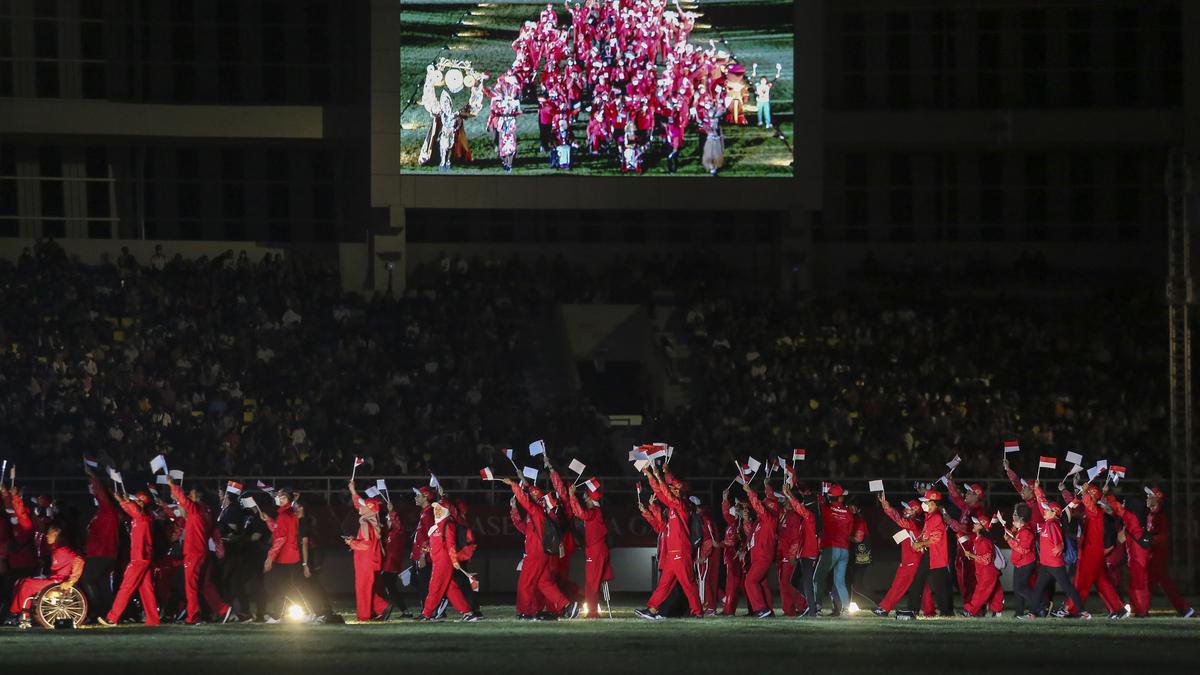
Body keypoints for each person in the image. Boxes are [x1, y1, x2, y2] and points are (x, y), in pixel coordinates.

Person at [502, 477, 578, 620]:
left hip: (535, 553)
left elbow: (524, 501)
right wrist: (514, 510)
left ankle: (526, 611)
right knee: (545, 583)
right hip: (542, 554)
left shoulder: (537, 512)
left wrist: (514, 485)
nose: (528, 497)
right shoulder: (541, 513)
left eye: (531, 495)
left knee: (525, 582)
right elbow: (524, 529)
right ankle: (567, 605)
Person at [634, 464, 702, 620]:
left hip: (681, 551)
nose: (670, 491)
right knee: (664, 585)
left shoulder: (681, 505)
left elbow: (666, 494)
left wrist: (659, 476)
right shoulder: (673, 507)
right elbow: (660, 492)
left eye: (673, 489)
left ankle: (697, 611)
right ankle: (651, 609)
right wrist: (650, 475)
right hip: (672, 553)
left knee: (688, 583)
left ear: (678, 491)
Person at [167, 474, 232, 624]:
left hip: (193, 552)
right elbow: (185, 510)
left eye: (191, 494)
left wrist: (172, 485)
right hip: (203, 552)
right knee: (204, 584)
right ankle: (222, 609)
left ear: (197, 495)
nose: (189, 496)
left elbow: (184, 502)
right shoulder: (207, 511)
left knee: (191, 586)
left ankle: (193, 617)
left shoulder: (196, 509)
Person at [1022, 485, 1090, 619]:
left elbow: (1060, 544)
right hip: (1046, 564)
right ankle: (1032, 614)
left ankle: (1083, 612)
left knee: (1068, 588)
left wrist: (1058, 549)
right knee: (1038, 589)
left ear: (1054, 512)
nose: (1044, 512)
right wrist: (1037, 489)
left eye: (1047, 511)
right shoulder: (1048, 522)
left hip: (1054, 565)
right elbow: (1041, 503)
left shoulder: (1053, 525)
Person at [1061, 483, 1126, 618]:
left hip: (1091, 553)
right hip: (1094, 553)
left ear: (1093, 497)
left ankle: (1074, 610)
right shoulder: (1092, 511)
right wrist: (1072, 488)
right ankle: (1119, 609)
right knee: (1103, 583)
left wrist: (1084, 492)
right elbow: (1074, 503)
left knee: (1082, 582)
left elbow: (1088, 504)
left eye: (1089, 494)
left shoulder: (1094, 511)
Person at [98, 492, 160, 626]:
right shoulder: (144, 517)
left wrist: (121, 500)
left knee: (126, 587)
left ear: (142, 503)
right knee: (146, 590)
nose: (134, 503)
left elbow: (133, 509)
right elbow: (132, 509)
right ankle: (153, 620)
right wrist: (125, 501)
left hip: (139, 559)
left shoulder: (142, 517)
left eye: (136, 501)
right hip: (144, 558)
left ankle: (112, 618)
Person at [6, 525, 83, 625]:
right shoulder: (56, 549)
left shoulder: (64, 549)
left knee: (27, 584)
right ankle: (18, 613)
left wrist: (71, 580)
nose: (46, 536)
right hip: (52, 580)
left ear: (56, 534)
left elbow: (79, 560)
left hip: (58, 582)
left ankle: (18, 613)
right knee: (22, 581)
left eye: (49, 534)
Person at [897, 489, 952, 620]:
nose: (924, 504)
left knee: (940, 587)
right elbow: (927, 535)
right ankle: (913, 609)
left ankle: (946, 612)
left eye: (926, 502)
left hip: (936, 556)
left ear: (934, 503)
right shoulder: (930, 516)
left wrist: (920, 544)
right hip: (931, 555)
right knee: (919, 581)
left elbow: (935, 539)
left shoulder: (936, 517)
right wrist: (919, 541)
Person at [874, 496, 934, 617]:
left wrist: (888, 508)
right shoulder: (916, 522)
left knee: (898, 586)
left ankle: (884, 608)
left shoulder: (915, 522)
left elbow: (899, 520)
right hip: (915, 560)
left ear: (915, 511)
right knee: (923, 587)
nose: (905, 510)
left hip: (911, 561)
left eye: (908, 509)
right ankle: (929, 611)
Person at [418, 501, 477, 621]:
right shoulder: (437, 525)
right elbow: (441, 544)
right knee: (451, 589)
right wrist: (429, 549)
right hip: (439, 561)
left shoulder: (448, 524)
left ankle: (426, 614)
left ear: (447, 511)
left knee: (435, 587)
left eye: (440, 509)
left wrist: (454, 560)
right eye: (435, 509)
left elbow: (451, 544)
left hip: (443, 562)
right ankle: (468, 613)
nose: (436, 511)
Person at [563, 475, 612, 618]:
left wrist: (572, 496)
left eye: (586, 498)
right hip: (596, 550)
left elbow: (580, 513)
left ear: (592, 499)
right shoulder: (596, 512)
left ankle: (592, 612)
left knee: (591, 583)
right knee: (592, 582)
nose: (585, 500)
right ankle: (592, 611)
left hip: (595, 551)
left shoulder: (594, 513)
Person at [1145, 486, 1195, 617]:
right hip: (1153, 553)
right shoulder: (1151, 514)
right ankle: (1185, 609)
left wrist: (1148, 541)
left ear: (1157, 499)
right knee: (1159, 583)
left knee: (1155, 583)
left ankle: (1141, 609)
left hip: (1158, 554)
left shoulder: (1159, 516)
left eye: (1150, 496)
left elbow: (1162, 536)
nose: (1147, 498)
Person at [1102, 488, 1150, 617]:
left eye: (1125, 503)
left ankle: (1141, 610)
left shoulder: (1131, 517)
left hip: (1136, 557)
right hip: (1140, 556)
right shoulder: (1140, 517)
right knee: (1140, 583)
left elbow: (1117, 508)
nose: (1123, 505)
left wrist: (1108, 494)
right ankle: (1139, 609)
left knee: (1137, 584)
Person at [80, 467, 121, 620]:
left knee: (87, 578)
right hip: (102, 553)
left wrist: (93, 477)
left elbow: (101, 495)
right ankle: (108, 614)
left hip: (102, 553)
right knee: (103, 585)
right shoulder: (101, 511)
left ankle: (97, 611)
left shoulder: (108, 509)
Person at [345, 483, 389, 622]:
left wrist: (351, 543)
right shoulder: (372, 520)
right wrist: (353, 491)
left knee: (363, 588)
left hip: (365, 561)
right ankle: (381, 608)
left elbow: (366, 544)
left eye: (363, 505)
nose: (360, 507)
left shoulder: (365, 523)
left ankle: (365, 615)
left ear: (368, 509)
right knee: (367, 588)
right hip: (371, 560)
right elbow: (358, 504)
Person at [259, 488, 303, 623]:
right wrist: (268, 520)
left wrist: (270, 558)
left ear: (288, 499)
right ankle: (304, 612)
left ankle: (279, 616)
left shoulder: (285, 515)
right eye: (278, 496)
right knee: (286, 586)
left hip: (284, 556)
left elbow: (280, 538)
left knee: (281, 587)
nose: (279, 499)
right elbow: (279, 531)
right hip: (289, 555)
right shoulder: (288, 513)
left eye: (282, 497)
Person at [741, 480, 778, 618]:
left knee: (750, 582)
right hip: (757, 556)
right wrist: (746, 520)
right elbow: (750, 534)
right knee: (762, 583)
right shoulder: (761, 522)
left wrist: (750, 492)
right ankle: (769, 610)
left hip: (762, 556)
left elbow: (759, 507)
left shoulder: (770, 520)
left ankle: (761, 609)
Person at [814, 483, 852, 615]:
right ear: (840, 498)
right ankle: (846, 609)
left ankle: (817, 608)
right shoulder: (848, 512)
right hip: (845, 550)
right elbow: (849, 531)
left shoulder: (826, 509)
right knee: (839, 581)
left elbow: (819, 501)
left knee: (817, 578)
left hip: (831, 548)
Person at [960, 518, 1002, 617]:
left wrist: (972, 555)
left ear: (982, 528)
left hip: (986, 573)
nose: (974, 525)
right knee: (995, 593)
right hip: (985, 572)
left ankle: (970, 611)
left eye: (976, 524)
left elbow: (986, 560)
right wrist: (971, 555)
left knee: (980, 593)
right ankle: (997, 612)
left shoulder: (984, 542)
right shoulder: (978, 540)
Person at [1003, 503, 1038, 618]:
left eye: (1015, 514)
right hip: (1020, 563)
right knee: (1018, 589)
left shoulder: (1026, 532)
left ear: (1021, 518)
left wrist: (1009, 540)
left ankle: (1041, 604)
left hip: (1026, 563)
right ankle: (1019, 612)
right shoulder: (1021, 530)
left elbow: (1023, 549)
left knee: (1020, 588)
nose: (1013, 516)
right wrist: (1011, 534)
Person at [378, 499, 411, 619]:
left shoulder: (398, 532)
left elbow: (398, 525)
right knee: (391, 588)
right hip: (390, 564)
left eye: (388, 520)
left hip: (391, 565)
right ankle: (405, 611)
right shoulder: (389, 534)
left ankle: (386, 608)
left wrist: (392, 512)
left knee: (389, 588)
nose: (387, 522)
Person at [718, 490, 748, 616]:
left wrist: (718, 544)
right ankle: (729, 609)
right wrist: (725, 499)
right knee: (736, 585)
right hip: (733, 558)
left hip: (733, 558)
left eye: (737, 507)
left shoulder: (738, 525)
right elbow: (725, 513)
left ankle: (729, 610)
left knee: (732, 585)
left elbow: (731, 542)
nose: (734, 509)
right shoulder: (734, 523)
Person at [410, 487, 437, 613]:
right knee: (418, 584)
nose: (416, 498)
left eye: (418, 495)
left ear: (426, 496)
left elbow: (429, 537)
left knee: (425, 585)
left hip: (425, 557)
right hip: (419, 555)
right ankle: (426, 611)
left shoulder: (428, 514)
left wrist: (422, 556)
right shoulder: (424, 513)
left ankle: (429, 612)